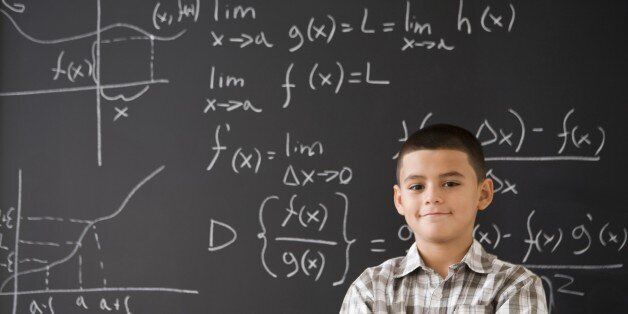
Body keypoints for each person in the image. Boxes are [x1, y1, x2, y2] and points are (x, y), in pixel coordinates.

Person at [340, 123, 547, 313]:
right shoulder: (371, 288)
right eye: (417, 187)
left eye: (450, 183)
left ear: (483, 194)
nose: (432, 197)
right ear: (400, 200)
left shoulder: (515, 285)